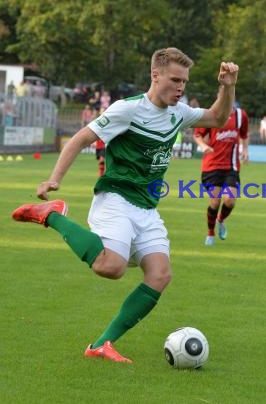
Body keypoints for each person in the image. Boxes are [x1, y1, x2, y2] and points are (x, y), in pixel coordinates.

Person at [11, 47, 239, 363]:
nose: (180, 87)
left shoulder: (179, 113)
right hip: (115, 199)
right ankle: (53, 216)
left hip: (147, 208)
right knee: (111, 267)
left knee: (160, 276)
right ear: (155, 75)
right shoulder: (127, 110)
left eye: (184, 81)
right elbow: (80, 139)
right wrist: (54, 179)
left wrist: (227, 87)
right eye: (175, 80)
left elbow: (218, 116)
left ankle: (101, 345)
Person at [193, 104, 249, 246]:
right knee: (215, 202)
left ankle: (220, 220)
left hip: (232, 166)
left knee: (230, 200)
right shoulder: (211, 114)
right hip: (212, 166)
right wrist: (204, 146)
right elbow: (197, 134)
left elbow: (244, 134)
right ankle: (210, 233)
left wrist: (245, 150)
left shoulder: (240, 115)